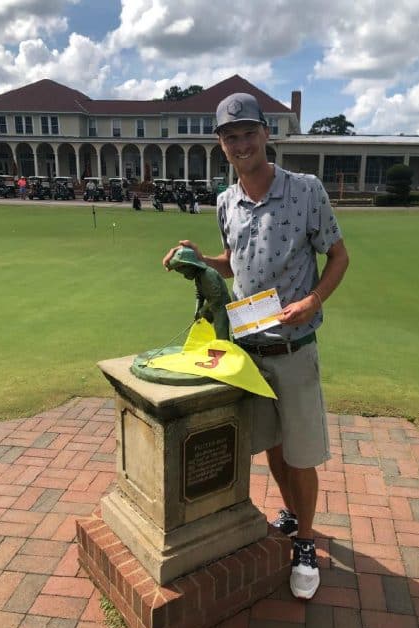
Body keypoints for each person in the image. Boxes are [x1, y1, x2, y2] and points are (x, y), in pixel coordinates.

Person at [163, 92, 349, 600]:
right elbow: (233, 260)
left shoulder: (305, 190)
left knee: (301, 452)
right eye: (230, 137)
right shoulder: (226, 201)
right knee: (270, 444)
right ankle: (292, 513)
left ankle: (306, 542)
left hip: (293, 348)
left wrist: (312, 300)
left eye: (248, 133)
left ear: (267, 134)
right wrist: (201, 259)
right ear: (221, 144)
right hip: (248, 353)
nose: (240, 144)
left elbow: (338, 256)